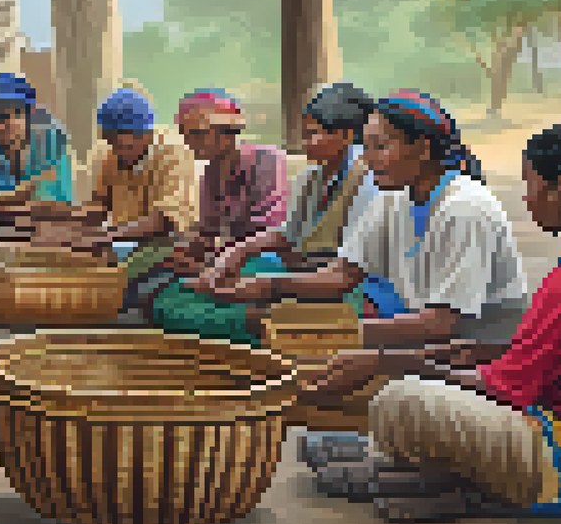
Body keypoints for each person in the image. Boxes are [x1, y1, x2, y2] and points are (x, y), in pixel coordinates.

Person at [299, 120, 561, 523]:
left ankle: (417, 473)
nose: (527, 197)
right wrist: (451, 357)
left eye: (531, 184)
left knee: (400, 401)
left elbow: (505, 385)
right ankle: (409, 472)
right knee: (420, 387)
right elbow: (545, 357)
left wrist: (386, 362)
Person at [191, 89, 527, 348]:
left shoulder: (464, 207)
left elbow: (443, 322)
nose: (367, 159)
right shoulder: (393, 196)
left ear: (423, 148)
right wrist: (266, 286)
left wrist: (330, 335)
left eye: (379, 147)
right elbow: (343, 274)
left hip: (474, 344)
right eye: (365, 147)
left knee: (298, 346)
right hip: (419, 325)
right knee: (278, 330)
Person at [198, 82, 381, 297]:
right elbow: (290, 234)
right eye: (304, 135)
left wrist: (271, 282)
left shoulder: (369, 178)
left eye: (313, 134)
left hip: (344, 284)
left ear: (347, 135)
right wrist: (238, 251)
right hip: (306, 271)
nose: (305, 144)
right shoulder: (309, 178)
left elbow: (349, 266)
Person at [145, 89, 288, 344]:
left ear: (227, 133)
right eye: (187, 135)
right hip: (223, 263)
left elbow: (267, 233)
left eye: (198, 134)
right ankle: (246, 321)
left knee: (180, 305)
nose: (191, 142)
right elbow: (208, 232)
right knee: (161, 301)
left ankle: (257, 324)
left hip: (265, 261)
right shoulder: (210, 174)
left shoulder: (267, 159)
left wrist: (209, 261)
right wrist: (189, 251)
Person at [77, 87, 199, 315]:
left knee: (114, 290)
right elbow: (99, 206)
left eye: (126, 146)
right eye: (113, 144)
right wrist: (68, 226)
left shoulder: (174, 154)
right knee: (85, 272)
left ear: (147, 134)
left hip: (171, 244)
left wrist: (104, 236)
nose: (119, 152)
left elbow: (164, 221)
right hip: (127, 243)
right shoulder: (109, 153)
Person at [0, 73, 74, 212]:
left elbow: (56, 203)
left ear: (29, 115)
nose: (10, 123)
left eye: (17, 113)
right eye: (0, 116)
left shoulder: (51, 142)